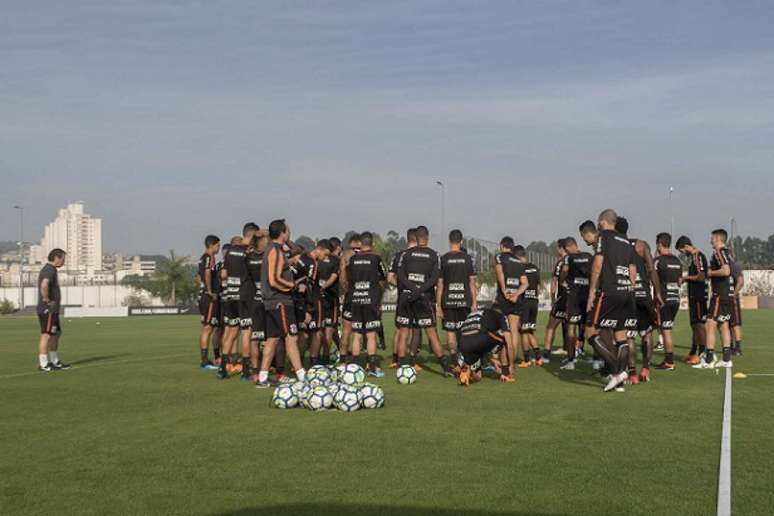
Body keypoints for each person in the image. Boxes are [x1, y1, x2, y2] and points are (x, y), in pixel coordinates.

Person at [587, 209, 637, 392]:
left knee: (590, 330)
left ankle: (617, 371)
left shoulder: (603, 237)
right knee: (620, 335)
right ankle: (620, 382)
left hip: (609, 291)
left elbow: (598, 264)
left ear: (602, 222)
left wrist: (592, 291)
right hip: (626, 292)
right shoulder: (626, 241)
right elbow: (633, 271)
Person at [395, 225, 454, 376]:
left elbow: (400, 276)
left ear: (415, 237)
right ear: (427, 237)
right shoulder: (434, 255)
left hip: (406, 296)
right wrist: (420, 291)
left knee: (403, 332)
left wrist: (412, 289)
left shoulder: (405, 254)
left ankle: (401, 367)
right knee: (432, 334)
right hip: (425, 298)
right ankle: (446, 368)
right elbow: (434, 279)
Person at [255, 219, 307, 388]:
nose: (290, 233)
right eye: (288, 230)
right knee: (291, 337)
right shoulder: (275, 250)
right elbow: (274, 279)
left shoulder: (275, 249)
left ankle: (262, 378)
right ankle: (302, 376)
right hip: (280, 301)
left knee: (272, 339)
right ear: (283, 232)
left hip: (273, 302)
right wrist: (294, 286)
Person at [615, 216, 662, 384]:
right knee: (647, 333)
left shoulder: (616, 247)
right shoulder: (641, 245)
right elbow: (651, 269)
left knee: (629, 336)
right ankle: (646, 369)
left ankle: (632, 373)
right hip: (644, 293)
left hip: (627, 294)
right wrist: (657, 292)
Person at [342, 231, 387, 376]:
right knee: (371, 334)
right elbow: (383, 277)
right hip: (371, 300)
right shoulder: (376, 258)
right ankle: (372, 368)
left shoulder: (353, 259)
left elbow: (348, 279)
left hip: (356, 299)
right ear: (372, 244)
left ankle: (354, 368)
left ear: (360, 244)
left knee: (356, 334)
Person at [694, 229, 734, 369]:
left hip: (719, 294)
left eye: (711, 237)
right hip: (727, 293)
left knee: (710, 323)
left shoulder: (719, 252)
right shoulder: (728, 252)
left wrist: (710, 273)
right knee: (723, 324)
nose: (710, 240)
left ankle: (709, 359)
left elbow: (726, 270)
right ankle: (727, 358)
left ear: (717, 238)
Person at [436, 229, 477, 365]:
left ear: (449, 241)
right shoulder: (467, 258)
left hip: (448, 301)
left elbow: (440, 284)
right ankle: (465, 360)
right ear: (461, 241)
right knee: (465, 331)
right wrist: (474, 303)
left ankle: (454, 362)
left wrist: (438, 305)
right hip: (465, 300)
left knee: (450, 331)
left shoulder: (443, 259)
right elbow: (472, 282)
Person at [291, 239, 333, 365]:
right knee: (317, 332)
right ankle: (314, 363)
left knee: (303, 333)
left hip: (298, 300)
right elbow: (309, 287)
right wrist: (309, 309)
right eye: (325, 254)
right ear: (319, 249)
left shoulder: (301, 257)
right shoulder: (313, 264)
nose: (324, 258)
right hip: (313, 301)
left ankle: (299, 363)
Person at [494, 236, 528, 374]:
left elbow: (500, 272)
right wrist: (516, 294)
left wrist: (504, 289)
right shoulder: (518, 261)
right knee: (514, 331)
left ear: (502, 246)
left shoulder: (499, 257)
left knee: (503, 331)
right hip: (516, 299)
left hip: (504, 298)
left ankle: (503, 363)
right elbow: (525, 283)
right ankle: (511, 366)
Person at [457, 307, 516, 385]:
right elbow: (510, 345)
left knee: (478, 377)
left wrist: (493, 360)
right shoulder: (501, 316)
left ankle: (467, 373)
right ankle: (505, 374)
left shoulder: (476, 314)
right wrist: (511, 365)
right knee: (504, 340)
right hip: (478, 338)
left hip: (463, 342)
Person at [559, 236, 592, 370]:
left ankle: (571, 360)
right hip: (588, 295)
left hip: (574, 296)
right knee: (592, 327)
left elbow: (565, 271)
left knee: (571, 327)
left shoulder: (568, 258)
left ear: (567, 248)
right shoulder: (589, 256)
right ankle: (597, 360)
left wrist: (562, 281)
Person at [675, 236, 709, 365]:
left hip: (699, 295)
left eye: (681, 250)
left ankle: (703, 353)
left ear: (685, 246)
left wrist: (685, 278)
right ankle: (693, 351)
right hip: (693, 295)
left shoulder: (697, 256)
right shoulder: (691, 258)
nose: (681, 253)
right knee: (694, 324)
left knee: (699, 323)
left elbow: (701, 276)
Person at [388, 228, 418, 368]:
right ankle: (412, 361)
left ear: (407, 240)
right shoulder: (421, 255)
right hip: (418, 297)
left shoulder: (398, 255)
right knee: (414, 329)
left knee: (399, 328)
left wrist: (402, 286)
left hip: (402, 297)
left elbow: (390, 278)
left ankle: (395, 360)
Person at [653, 232, 682, 370]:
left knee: (666, 331)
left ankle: (669, 362)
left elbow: (651, 276)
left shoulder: (658, 261)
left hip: (663, 299)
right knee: (667, 328)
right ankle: (668, 359)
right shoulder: (677, 260)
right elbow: (680, 281)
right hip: (675, 299)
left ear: (659, 244)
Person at [36, 249, 69, 372]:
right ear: (56, 257)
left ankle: (55, 361)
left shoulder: (52, 270)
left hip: (53, 311)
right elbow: (44, 284)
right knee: (47, 335)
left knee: (57, 333)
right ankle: (44, 364)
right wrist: (47, 300)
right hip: (47, 310)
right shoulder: (49, 269)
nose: (64, 261)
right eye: (63, 259)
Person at [513, 245, 542, 367]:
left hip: (524, 303)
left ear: (518, 257)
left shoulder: (520, 269)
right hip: (534, 302)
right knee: (530, 331)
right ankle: (539, 358)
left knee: (524, 332)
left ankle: (526, 360)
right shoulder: (535, 268)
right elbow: (538, 286)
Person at [542, 239, 568, 362]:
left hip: (563, 299)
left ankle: (546, 354)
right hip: (577, 299)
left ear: (561, 248)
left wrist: (553, 299)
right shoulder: (576, 259)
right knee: (571, 326)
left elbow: (554, 281)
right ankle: (571, 353)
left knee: (551, 326)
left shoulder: (561, 262)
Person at [246, 234, 268, 382]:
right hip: (264, 301)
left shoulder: (247, 257)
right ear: (261, 243)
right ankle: (260, 370)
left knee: (257, 338)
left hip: (256, 301)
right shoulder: (268, 257)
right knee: (264, 338)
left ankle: (258, 370)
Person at [197, 235, 221, 370]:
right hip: (208, 298)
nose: (219, 248)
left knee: (207, 327)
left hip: (203, 297)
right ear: (212, 245)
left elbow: (198, 277)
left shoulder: (201, 258)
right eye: (218, 245)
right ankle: (204, 361)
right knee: (208, 328)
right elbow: (206, 273)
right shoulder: (209, 257)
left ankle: (205, 360)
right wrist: (210, 291)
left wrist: (202, 288)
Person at [338, 233, 362, 364]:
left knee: (346, 330)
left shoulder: (346, 254)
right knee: (361, 331)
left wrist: (347, 290)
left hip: (351, 295)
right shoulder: (369, 254)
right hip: (364, 296)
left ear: (351, 243)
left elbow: (342, 275)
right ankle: (357, 362)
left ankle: (342, 361)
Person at [317, 237, 342, 363]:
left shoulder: (316, 258)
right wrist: (324, 287)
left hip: (318, 299)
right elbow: (334, 277)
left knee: (320, 331)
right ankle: (325, 360)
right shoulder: (337, 260)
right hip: (331, 300)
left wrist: (318, 288)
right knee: (329, 330)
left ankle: (316, 360)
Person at [729, 257, 744, 356]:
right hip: (723, 299)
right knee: (726, 323)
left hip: (732, 298)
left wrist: (734, 294)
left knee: (735, 322)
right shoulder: (723, 265)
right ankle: (729, 347)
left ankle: (738, 348)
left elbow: (741, 281)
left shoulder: (734, 266)